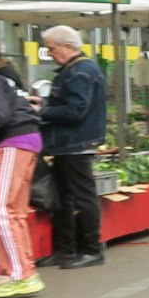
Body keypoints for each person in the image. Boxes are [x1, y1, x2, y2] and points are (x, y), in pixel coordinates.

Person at [0, 36, 46, 298]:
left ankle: (19, 276)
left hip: (12, 142)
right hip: (27, 140)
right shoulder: (5, 75)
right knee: (14, 212)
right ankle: (25, 271)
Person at [38, 25, 107, 269]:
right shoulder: (77, 69)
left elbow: (76, 110)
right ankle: (64, 250)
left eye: (51, 48)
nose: (49, 53)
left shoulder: (80, 71)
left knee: (82, 196)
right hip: (68, 143)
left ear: (67, 46)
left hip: (75, 143)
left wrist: (41, 111)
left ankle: (91, 250)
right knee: (62, 197)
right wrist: (44, 105)